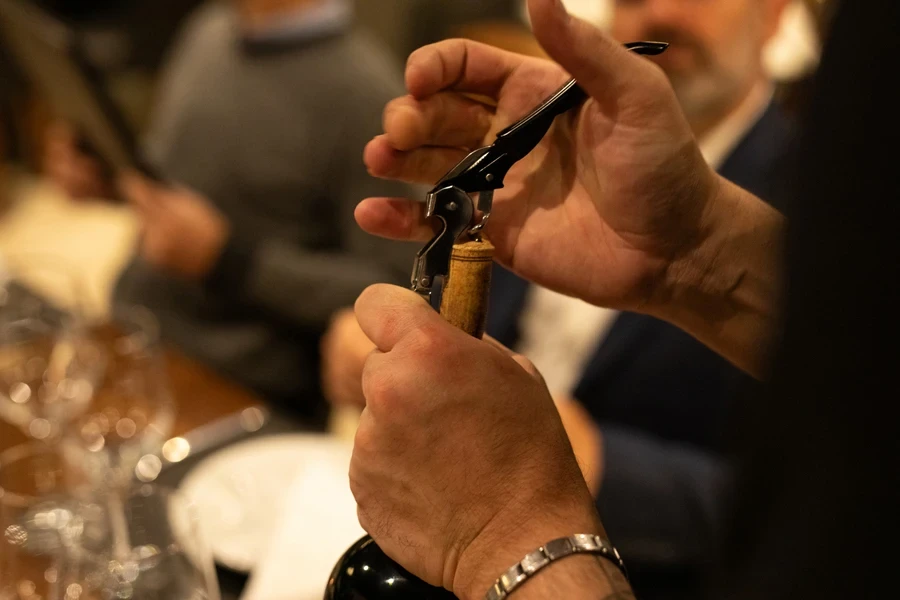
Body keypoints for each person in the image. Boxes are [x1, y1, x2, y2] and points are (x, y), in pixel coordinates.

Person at [340, 0, 897, 598]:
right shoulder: (564, 159)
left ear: (774, 13)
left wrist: (551, 490)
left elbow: (828, 505)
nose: (659, 11)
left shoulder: (841, 205)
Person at [45, 0, 421, 424]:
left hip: (243, 388)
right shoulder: (209, 30)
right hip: (134, 330)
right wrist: (111, 182)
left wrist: (226, 259)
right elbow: (179, 178)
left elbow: (397, 291)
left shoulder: (364, 93)